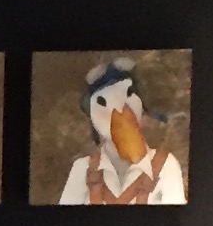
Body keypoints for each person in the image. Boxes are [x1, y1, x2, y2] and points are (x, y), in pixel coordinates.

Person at [57, 60, 184, 205]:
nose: (120, 110)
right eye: (102, 102)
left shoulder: (166, 166)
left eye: (128, 94)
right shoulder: (82, 169)